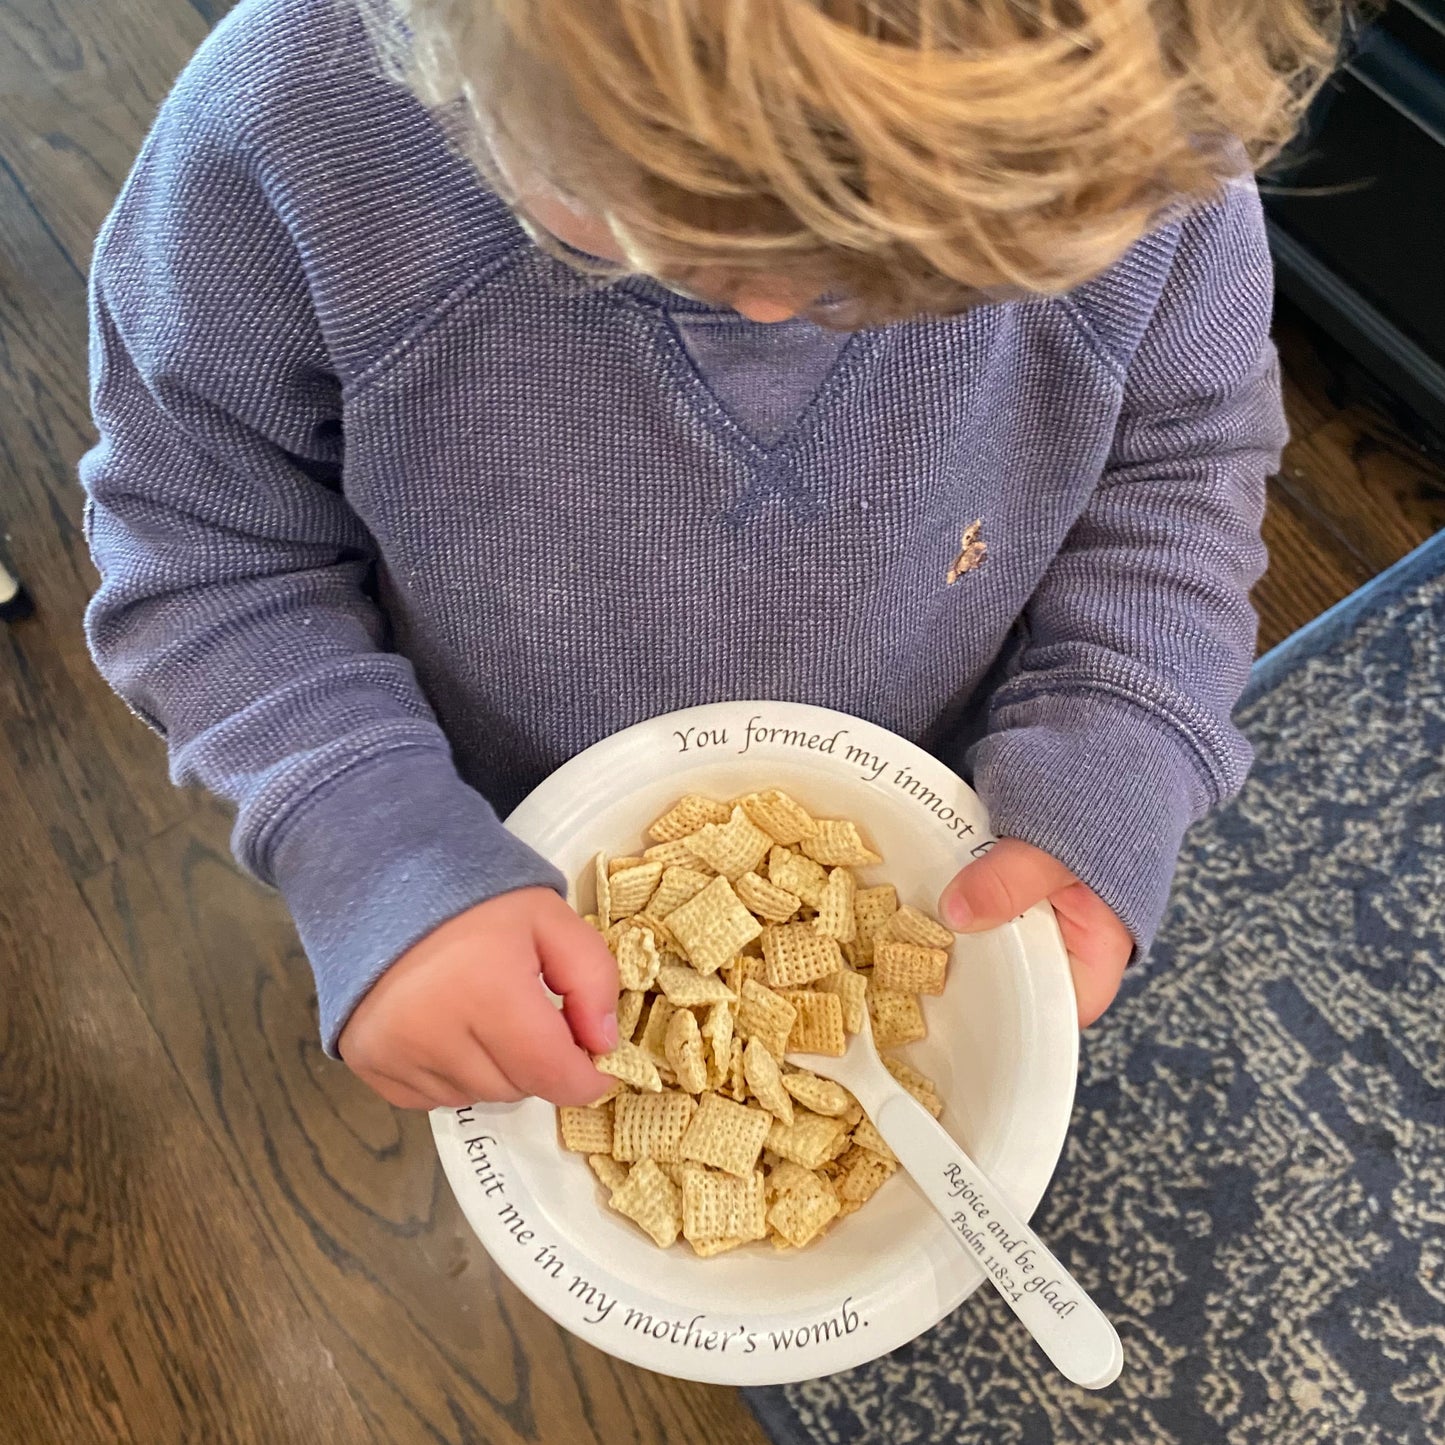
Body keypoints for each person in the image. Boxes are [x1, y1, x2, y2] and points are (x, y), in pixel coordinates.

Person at [80, 0, 1341, 1111]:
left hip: (933, 796)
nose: (769, 311)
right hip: (485, 820)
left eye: (900, 277)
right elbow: (209, 546)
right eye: (650, 214)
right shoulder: (288, 135)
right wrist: (376, 843)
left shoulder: (1137, 157)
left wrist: (1111, 753)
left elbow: (1178, 469)